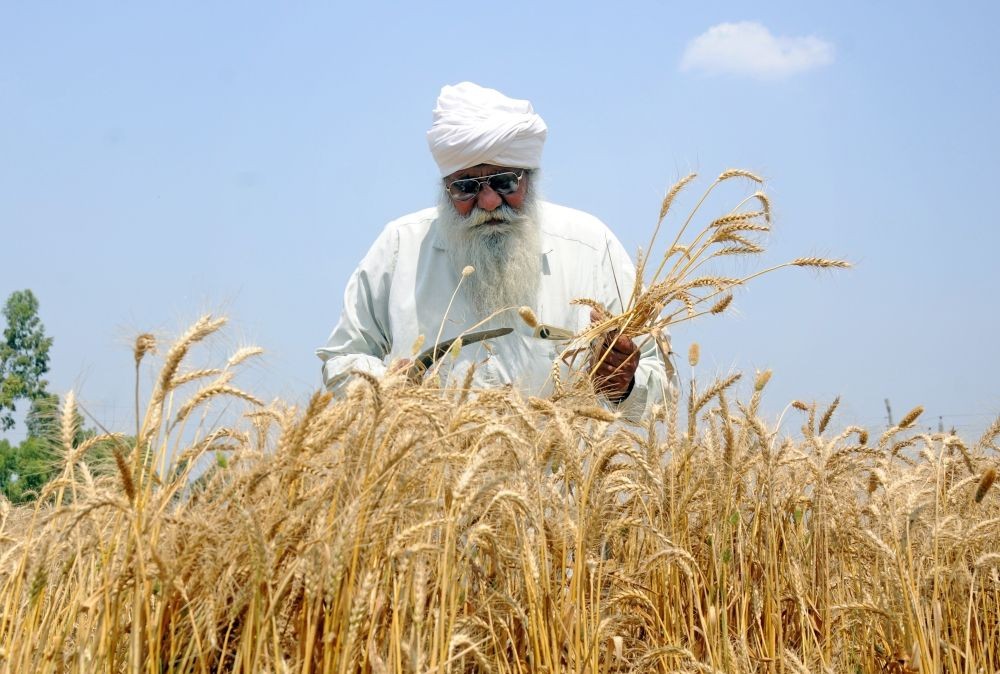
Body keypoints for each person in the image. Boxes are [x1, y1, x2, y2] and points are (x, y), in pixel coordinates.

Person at [317, 82, 676, 418]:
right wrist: (385, 387)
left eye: (505, 182)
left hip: (559, 484)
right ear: (445, 189)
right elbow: (342, 358)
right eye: (466, 187)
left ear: (530, 179)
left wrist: (625, 387)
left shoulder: (592, 247)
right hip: (428, 482)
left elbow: (661, 382)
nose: (488, 202)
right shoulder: (400, 248)